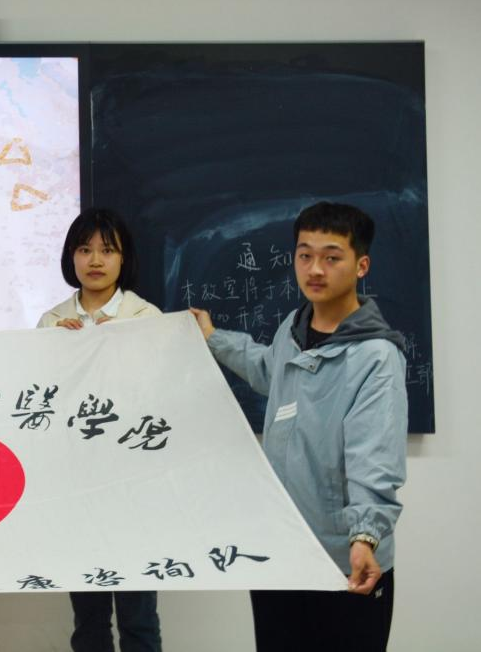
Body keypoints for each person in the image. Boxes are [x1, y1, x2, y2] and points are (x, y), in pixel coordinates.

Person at [190, 202, 406, 652]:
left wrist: (365, 537)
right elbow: (268, 369)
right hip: (282, 548)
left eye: (331, 257)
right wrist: (212, 338)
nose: (315, 269)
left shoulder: (376, 357)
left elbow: (374, 456)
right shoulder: (294, 327)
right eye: (305, 255)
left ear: (361, 265)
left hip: (343, 558)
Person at [37, 208, 163, 652]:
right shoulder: (50, 322)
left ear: (123, 259)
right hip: (76, 485)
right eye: (84, 249)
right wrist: (57, 349)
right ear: (70, 257)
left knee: (138, 617)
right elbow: (38, 401)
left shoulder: (145, 317)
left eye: (107, 250)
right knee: (88, 619)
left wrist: (126, 344)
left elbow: (161, 396)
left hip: (132, 484)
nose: (95, 260)